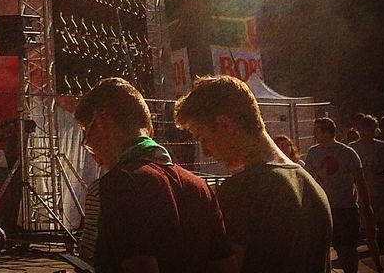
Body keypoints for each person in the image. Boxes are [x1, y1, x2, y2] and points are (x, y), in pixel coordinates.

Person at [173, 74, 332, 273]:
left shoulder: (243, 190)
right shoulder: (313, 188)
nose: (205, 150)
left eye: (203, 138)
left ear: (225, 124)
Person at [73, 76, 233, 273]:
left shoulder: (119, 184)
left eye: (87, 136)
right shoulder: (201, 187)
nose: (94, 155)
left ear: (103, 121)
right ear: (148, 130)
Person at [304, 116, 376, 273]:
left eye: (317, 131)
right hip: (324, 208)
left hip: (345, 208)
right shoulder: (313, 152)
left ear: (327, 132)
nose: (314, 134)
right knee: (323, 249)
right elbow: (308, 180)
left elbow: (359, 180)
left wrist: (366, 205)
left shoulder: (347, 152)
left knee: (347, 247)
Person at [353, 114, 384, 259]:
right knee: (370, 229)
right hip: (364, 192)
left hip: (382, 191)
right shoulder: (353, 148)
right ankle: (376, 259)